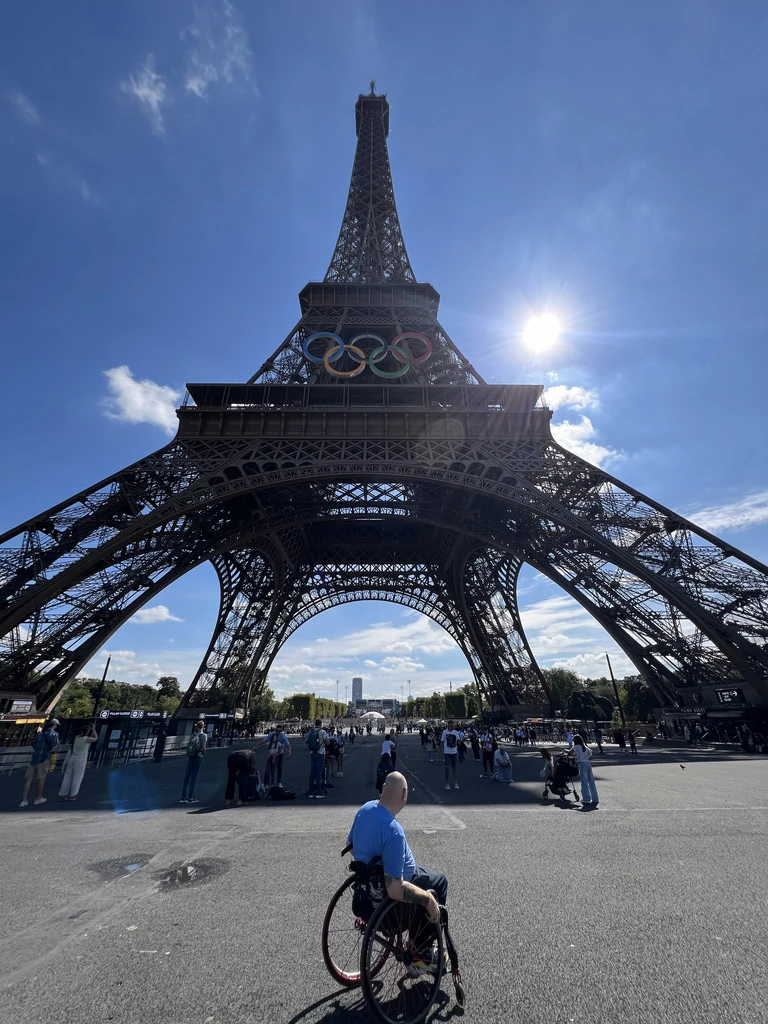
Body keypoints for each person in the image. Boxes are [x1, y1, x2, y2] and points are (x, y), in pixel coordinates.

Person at [347, 772, 447, 934]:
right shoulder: (393, 830)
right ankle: (423, 949)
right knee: (440, 882)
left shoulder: (365, 809)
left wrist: (374, 863)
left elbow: (350, 845)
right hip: (391, 902)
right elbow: (395, 889)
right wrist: (427, 900)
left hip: (365, 895)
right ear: (404, 794)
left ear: (384, 788)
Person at [20, 718, 60, 807]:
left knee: (28, 780)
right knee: (41, 779)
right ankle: (38, 798)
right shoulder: (54, 734)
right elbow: (54, 745)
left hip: (34, 758)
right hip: (44, 758)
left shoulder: (40, 734)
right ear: (54, 725)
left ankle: (24, 800)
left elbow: (33, 744)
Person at [59, 722, 97, 801]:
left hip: (73, 757)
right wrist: (93, 729)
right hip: (81, 758)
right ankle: (73, 795)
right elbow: (96, 738)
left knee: (68, 776)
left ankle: (63, 794)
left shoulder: (77, 737)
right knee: (77, 777)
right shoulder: (87, 739)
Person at [180, 721, 208, 804]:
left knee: (187, 776)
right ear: (203, 726)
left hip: (191, 756)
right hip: (198, 756)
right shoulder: (204, 735)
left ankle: (183, 797)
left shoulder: (193, 735)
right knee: (194, 777)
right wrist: (204, 752)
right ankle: (190, 797)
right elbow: (203, 747)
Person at [571, 734, 599, 808]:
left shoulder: (575, 747)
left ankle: (586, 798)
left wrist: (565, 751)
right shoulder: (585, 747)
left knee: (584, 782)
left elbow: (570, 752)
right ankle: (595, 798)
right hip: (588, 764)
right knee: (591, 781)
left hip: (582, 764)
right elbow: (590, 757)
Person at [305, 718, 328, 799]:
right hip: (321, 753)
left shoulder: (311, 732)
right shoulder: (322, 732)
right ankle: (318, 791)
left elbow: (307, 741)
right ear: (321, 724)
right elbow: (327, 742)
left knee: (312, 772)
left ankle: (311, 791)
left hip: (312, 753)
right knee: (319, 772)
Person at [263, 723, 291, 787]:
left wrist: (289, 752)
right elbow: (263, 742)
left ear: (281, 731)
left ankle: (278, 782)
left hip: (280, 753)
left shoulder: (283, 736)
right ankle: (266, 783)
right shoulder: (271, 734)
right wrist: (254, 748)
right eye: (277, 730)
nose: (278, 732)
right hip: (272, 755)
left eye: (279, 731)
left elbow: (287, 745)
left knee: (279, 768)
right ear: (275, 730)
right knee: (269, 769)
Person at [441, 720, 461, 790]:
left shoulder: (455, 732)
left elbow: (458, 741)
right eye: (451, 726)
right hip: (447, 752)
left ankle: (455, 782)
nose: (452, 727)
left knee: (454, 767)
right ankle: (447, 783)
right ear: (448, 726)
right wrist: (441, 753)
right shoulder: (444, 732)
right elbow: (442, 742)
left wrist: (460, 741)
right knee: (447, 767)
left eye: (453, 726)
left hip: (454, 752)